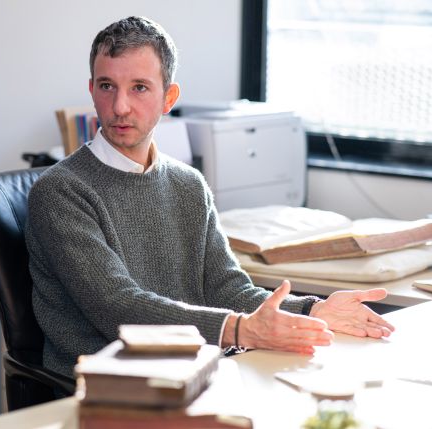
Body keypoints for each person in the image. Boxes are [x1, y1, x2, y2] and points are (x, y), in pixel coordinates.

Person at [25, 16, 394, 382]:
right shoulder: (60, 191)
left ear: (168, 97)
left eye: (139, 87)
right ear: (92, 90)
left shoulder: (188, 184)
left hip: (195, 375)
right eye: (107, 86)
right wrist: (239, 330)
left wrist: (312, 311)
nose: (120, 106)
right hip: (106, 391)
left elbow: (227, 288)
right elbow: (117, 305)